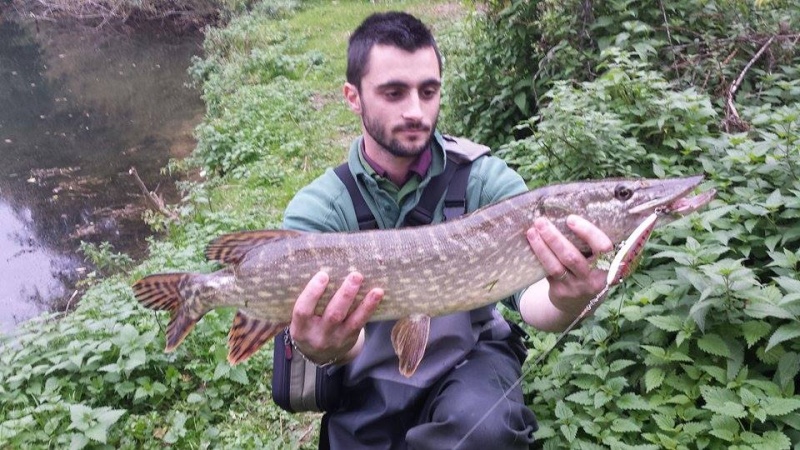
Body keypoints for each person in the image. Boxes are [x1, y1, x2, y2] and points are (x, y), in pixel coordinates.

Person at [280, 11, 612, 449]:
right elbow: (346, 343)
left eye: (428, 91)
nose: (416, 111)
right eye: (394, 92)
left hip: (469, 360)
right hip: (366, 369)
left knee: (483, 430)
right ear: (353, 96)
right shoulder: (319, 209)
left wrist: (569, 300)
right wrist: (326, 347)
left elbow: (530, 301)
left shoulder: (486, 181)